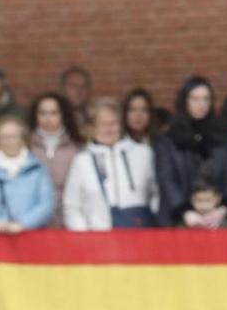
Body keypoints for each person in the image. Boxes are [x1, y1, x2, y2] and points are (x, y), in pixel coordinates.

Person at [156, 76, 227, 226]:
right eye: (195, 99)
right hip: (179, 218)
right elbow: (166, 179)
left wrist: (223, 209)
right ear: (185, 101)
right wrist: (185, 211)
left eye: (206, 99)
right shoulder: (169, 139)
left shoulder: (223, 135)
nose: (201, 104)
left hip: (218, 217)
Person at [63, 97, 160, 230]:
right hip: (97, 240)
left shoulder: (144, 153)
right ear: (92, 127)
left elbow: (156, 193)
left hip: (139, 236)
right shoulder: (82, 161)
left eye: (113, 123)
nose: (109, 129)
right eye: (102, 124)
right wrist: (84, 235)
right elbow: (71, 206)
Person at [0, 114, 55, 232]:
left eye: (13, 136)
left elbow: (46, 205)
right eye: (4, 137)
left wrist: (23, 224)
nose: (8, 141)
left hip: (29, 236)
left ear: (23, 139)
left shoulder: (38, 169)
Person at [28, 91, 80, 224]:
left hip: (69, 220)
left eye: (53, 113)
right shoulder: (26, 148)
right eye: (42, 113)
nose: (48, 118)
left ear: (63, 115)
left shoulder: (77, 149)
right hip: (33, 221)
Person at [60, 65, 94, 131]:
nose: (79, 91)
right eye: (73, 86)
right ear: (63, 88)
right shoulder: (54, 114)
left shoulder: (95, 113)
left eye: (83, 86)